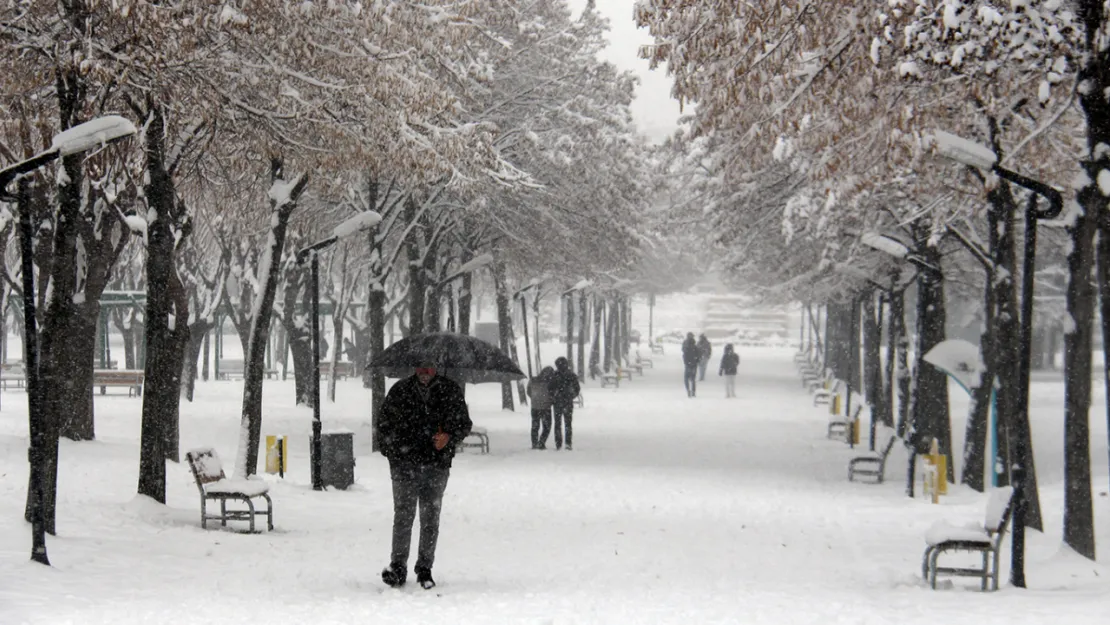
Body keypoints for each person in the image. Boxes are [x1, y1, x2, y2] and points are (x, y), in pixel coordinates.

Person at [378, 360, 472, 590]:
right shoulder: (400, 391)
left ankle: (424, 568)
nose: (424, 372)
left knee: (430, 517)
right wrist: (394, 453)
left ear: (437, 368)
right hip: (404, 464)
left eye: (429, 367)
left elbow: (464, 424)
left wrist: (449, 437)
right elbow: (384, 425)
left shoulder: (450, 391)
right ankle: (398, 566)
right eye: (420, 367)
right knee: (403, 515)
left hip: (436, 464)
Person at [549, 357, 581, 450]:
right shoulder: (572, 375)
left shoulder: (554, 375)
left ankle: (558, 443)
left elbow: (549, 388)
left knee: (558, 424)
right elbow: (577, 389)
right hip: (567, 402)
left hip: (557, 402)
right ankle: (568, 443)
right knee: (568, 423)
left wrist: (554, 396)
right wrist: (571, 396)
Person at [527, 366, 555, 449]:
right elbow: (552, 394)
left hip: (535, 406)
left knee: (535, 426)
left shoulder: (533, 380)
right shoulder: (550, 382)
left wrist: (534, 399)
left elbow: (529, 392)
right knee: (547, 427)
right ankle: (541, 443)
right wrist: (550, 401)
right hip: (545, 407)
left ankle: (534, 443)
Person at [681, 332, 699, 397]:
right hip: (694, 365)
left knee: (686, 378)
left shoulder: (686, 347)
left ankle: (688, 390)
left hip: (688, 365)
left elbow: (684, 355)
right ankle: (693, 391)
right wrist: (696, 362)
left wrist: (686, 362)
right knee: (693, 379)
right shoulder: (695, 347)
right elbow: (698, 356)